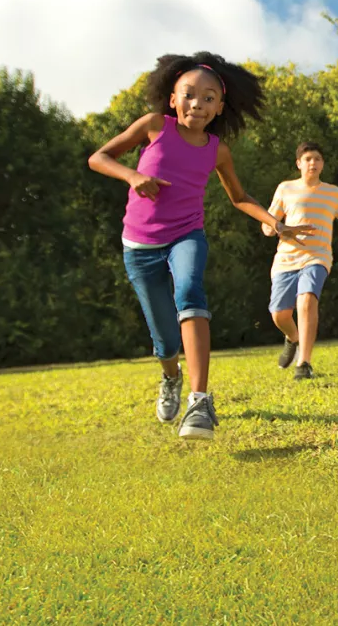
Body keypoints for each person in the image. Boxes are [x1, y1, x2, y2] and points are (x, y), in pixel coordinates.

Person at [87, 52, 310, 441]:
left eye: (209, 98)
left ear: (220, 107)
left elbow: (239, 197)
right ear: (172, 98)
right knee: (164, 338)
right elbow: (99, 157)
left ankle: (200, 400)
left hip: (186, 235)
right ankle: (170, 376)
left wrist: (274, 222)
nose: (198, 104)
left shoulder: (216, 150)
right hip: (138, 245)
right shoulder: (156, 126)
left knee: (190, 291)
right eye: (189, 95)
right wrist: (132, 175)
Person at [264, 141, 338, 380]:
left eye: (317, 159)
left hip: (317, 257)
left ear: (322, 164)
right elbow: (267, 226)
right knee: (279, 315)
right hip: (285, 260)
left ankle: (303, 363)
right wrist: (279, 228)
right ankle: (292, 338)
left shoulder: (333, 193)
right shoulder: (285, 189)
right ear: (298, 164)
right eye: (308, 159)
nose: (312, 163)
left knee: (307, 301)